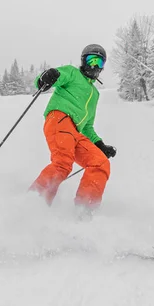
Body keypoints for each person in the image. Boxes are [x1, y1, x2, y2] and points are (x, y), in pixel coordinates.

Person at [29, 44, 116, 214]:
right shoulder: (73, 73)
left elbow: (88, 126)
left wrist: (100, 145)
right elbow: (56, 77)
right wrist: (46, 77)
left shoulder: (95, 94)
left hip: (75, 132)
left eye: (99, 62)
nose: (95, 66)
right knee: (63, 163)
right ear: (84, 61)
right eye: (92, 60)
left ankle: (84, 210)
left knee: (100, 163)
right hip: (59, 119)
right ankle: (31, 206)